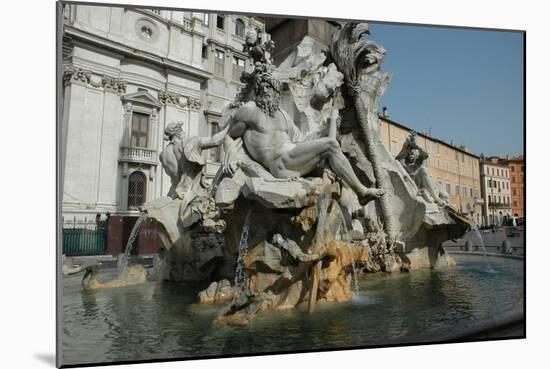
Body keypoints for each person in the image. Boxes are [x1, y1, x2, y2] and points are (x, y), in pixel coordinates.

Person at [217, 71, 384, 201]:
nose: (269, 92)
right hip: (280, 164)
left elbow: (299, 141)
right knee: (331, 145)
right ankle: (362, 191)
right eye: (264, 88)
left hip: (294, 158)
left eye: (273, 89)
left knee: (331, 163)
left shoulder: (282, 115)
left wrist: (330, 123)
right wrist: (230, 159)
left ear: (277, 94)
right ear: (258, 91)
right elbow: (230, 136)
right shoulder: (250, 110)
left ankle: (355, 197)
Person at [159, 121, 229, 226]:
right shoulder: (190, 143)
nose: (184, 132)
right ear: (178, 132)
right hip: (192, 195)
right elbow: (216, 141)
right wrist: (230, 126)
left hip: (174, 195)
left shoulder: (163, 154)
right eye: (182, 130)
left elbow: (175, 176)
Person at [395, 131, 448, 206]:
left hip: (422, 184)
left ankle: (436, 198)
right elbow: (397, 158)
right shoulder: (403, 162)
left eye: (413, 154)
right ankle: (436, 198)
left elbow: (425, 154)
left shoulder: (418, 163)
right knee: (423, 170)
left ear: (417, 156)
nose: (410, 155)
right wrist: (406, 146)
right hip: (411, 186)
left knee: (423, 170)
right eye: (409, 153)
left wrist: (416, 145)